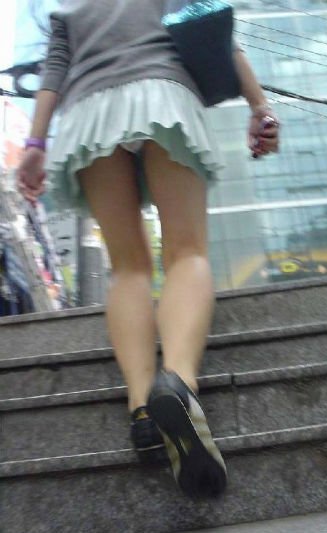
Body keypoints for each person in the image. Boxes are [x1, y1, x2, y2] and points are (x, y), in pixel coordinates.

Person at [16, 0, 280, 499]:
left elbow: (54, 72)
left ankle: (141, 409)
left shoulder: (65, 7)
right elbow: (218, 34)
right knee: (186, 251)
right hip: (163, 92)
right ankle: (178, 382)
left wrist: (35, 145)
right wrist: (259, 107)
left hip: (88, 109)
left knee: (128, 267)